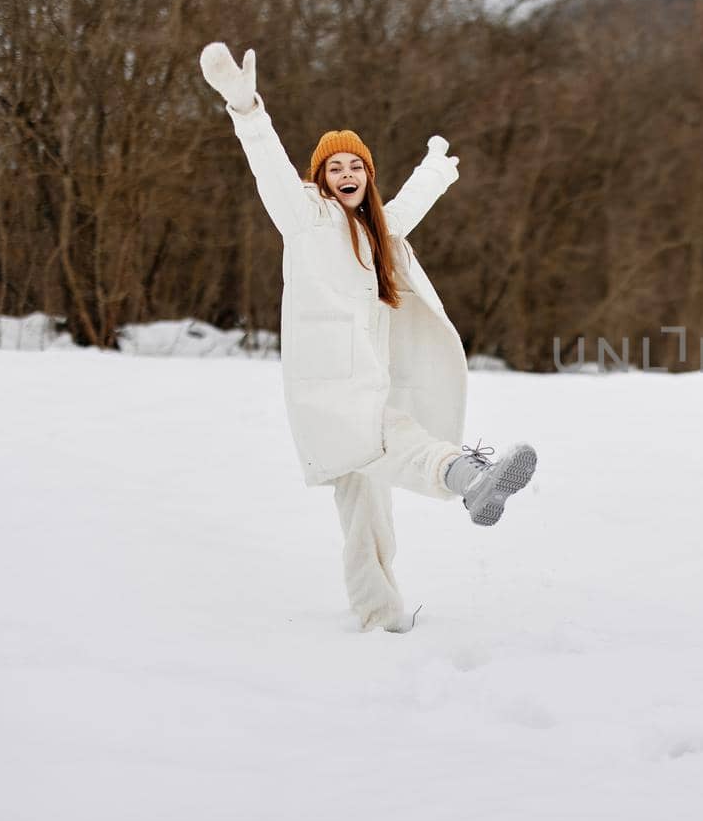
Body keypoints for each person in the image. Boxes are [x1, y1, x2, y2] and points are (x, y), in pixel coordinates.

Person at [198, 41, 537, 633]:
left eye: (356, 167)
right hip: (333, 389)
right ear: (321, 179)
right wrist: (248, 109)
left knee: (366, 514)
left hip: (368, 382)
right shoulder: (305, 220)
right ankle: (469, 478)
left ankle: (380, 617)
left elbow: (407, 205)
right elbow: (270, 166)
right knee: (396, 440)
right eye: (336, 167)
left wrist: (436, 168)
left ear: (366, 177)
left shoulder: (379, 234)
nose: (347, 174)